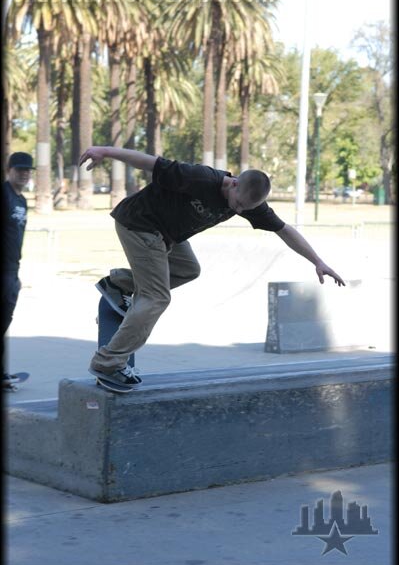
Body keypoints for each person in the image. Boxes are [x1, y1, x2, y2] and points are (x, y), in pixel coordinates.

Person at [79, 146, 345, 389]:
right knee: (156, 297)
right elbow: (149, 162)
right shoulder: (198, 177)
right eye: (238, 203)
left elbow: (284, 230)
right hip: (139, 224)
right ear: (235, 183)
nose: (239, 209)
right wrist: (104, 152)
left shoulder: (248, 202)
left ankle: (118, 284)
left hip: (167, 234)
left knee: (188, 269)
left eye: (246, 208)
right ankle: (108, 363)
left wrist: (318, 261)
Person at [2, 152, 34, 390]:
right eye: (19, 169)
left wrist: (16, 275)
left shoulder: (21, 201)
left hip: (12, 270)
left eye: (27, 170)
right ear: (9, 170)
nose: (24, 173)